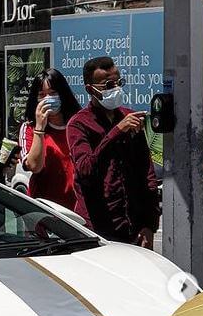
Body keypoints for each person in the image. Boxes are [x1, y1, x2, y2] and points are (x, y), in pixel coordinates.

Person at [67, 56, 159, 247]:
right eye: (108, 85)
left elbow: (146, 173)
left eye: (118, 82)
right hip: (99, 230)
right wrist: (116, 132)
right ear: (90, 89)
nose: (115, 89)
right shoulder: (79, 124)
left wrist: (150, 224)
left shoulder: (129, 117)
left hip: (134, 228)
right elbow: (85, 170)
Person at [19, 68, 81, 208]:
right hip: (46, 209)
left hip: (78, 209)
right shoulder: (29, 128)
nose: (48, 99)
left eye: (53, 93)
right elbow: (34, 166)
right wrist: (40, 128)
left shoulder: (78, 125)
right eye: (42, 95)